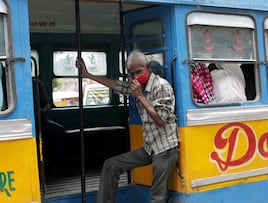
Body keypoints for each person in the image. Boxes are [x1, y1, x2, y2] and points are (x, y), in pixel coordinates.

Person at [76, 50, 179, 203]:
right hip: (150, 147)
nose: (135, 77)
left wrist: (139, 96)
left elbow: (161, 120)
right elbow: (117, 85)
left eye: (139, 72)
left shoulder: (161, 86)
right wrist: (89, 75)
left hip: (165, 150)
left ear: (148, 67)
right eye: (132, 74)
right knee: (111, 165)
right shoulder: (138, 86)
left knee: (157, 197)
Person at [32, 78, 67, 176]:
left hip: (40, 119)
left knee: (58, 130)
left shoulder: (36, 83)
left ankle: (56, 167)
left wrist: (40, 110)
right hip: (26, 122)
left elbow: (47, 105)